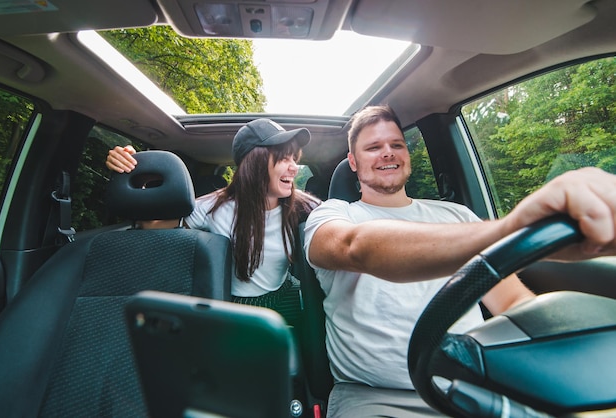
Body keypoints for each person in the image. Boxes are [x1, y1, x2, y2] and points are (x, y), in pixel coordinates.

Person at [303, 104, 616, 417]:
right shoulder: (334, 215)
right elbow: (356, 247)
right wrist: (513, 229)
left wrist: (565, 362)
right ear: (353, 163)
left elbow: (510, 301)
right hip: (377, 400)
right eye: (373, 147)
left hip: (474, 386)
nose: (387, 153)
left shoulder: (457, 215)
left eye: (396, 145)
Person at [106, 118, 320, 326]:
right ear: (255, 163)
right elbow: (154, 229)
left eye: (294, 158)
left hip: (286, 295)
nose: (294, 167)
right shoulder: (214, 206)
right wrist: (134, 173)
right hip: (232, 304)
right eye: (284, 158)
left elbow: (337, 222)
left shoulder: (303, 205)